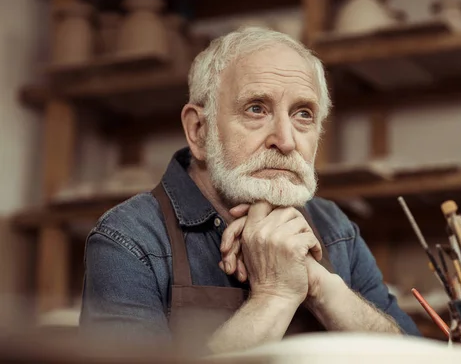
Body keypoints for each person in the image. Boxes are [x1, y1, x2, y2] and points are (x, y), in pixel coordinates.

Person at [80, 27, 421, 354]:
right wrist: (275, 293)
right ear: (199, 130)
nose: (286, 141)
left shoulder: (335, 229)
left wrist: (323, 288)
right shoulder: (129, 238)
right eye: (256, 109)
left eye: (303, 114)